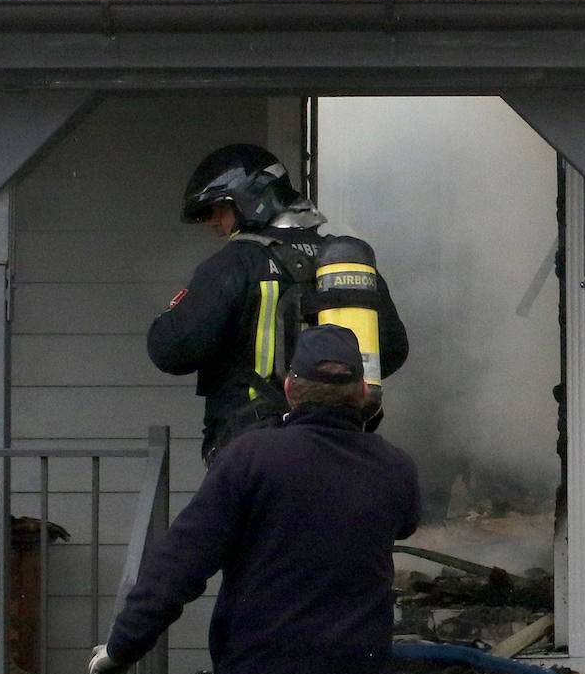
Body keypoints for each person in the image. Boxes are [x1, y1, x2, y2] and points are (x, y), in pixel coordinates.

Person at [89, 324, 421, 674]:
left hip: (259, 672)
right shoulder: (395, 467)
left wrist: (123, 646)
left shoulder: (250, 458)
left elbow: (178, 565)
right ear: (362, 393)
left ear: (289, 389)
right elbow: (406, 522)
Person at [147, 143, 409, 462]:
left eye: (215, 208)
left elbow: (171, 349)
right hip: (340, 449)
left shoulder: (236, 263)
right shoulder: (344, 263)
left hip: (255, 452)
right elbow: (392, 350)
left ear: (250, 199)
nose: (210, 222)